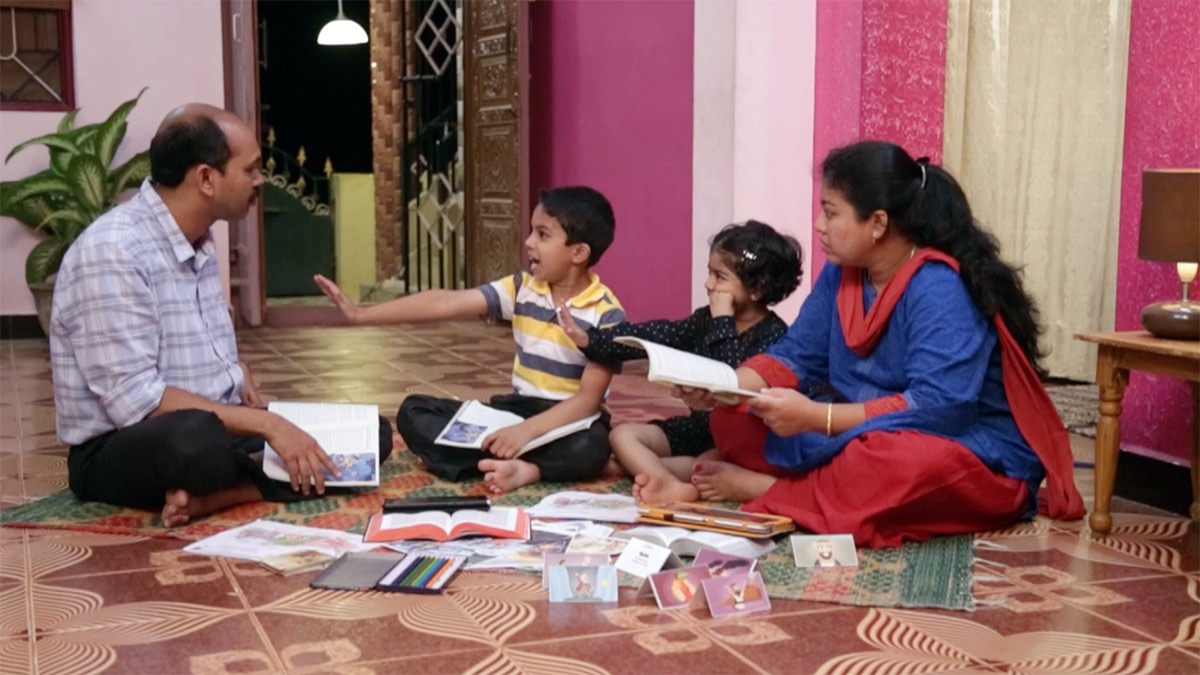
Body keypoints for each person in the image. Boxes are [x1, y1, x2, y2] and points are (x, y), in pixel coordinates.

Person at [679, 140, 1084, 548]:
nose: (818, 225)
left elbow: (939, 409)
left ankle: (772, 490)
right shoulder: (842, 273)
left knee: (886, 463)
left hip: (961, 447)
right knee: (733, 420)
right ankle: (816, 490)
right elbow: (796, 355)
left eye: (831, 212)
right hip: (860, 429)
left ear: (877, 223)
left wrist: (818, 418)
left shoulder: (939, 287)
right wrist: (725, 385)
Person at [51, 103, 394, 528]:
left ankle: (222, 495)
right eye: (250, 169)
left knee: (369, 433)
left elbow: (196, 346)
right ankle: (246, 477)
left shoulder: (199, 237)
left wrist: (237, 372)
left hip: (217, 425)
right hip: (126, 445)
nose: (260, 180)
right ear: (206, 179)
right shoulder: (112, 251)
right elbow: (137, 403)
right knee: (195, 439)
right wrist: (268, 424)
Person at [315, 186, 624, 494]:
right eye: (532, 231)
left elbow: (587, 401)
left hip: (570, 422)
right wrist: (362, 315)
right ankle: (522, 458)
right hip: (516, 410)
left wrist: (525, 432)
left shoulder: (607, 314)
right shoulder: (521, 288)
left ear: (578, 253)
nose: (529, 242)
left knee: (591, 447)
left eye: (542, 235)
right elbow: (446, 302)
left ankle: (526, 468)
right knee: (414, 412)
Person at [559, 220, 802, 504]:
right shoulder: (705, 319)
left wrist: (723, 321)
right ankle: (667, 482)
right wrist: (594, 339)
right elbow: (658, 334)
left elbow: (731, 378)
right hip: (699, 427)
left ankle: (642, 470)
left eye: (720, 277)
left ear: (756, 289)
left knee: (708, 464)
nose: (708, 284)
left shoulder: (775, 337)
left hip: (741, 440)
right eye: (709, 273)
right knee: (623, 435)